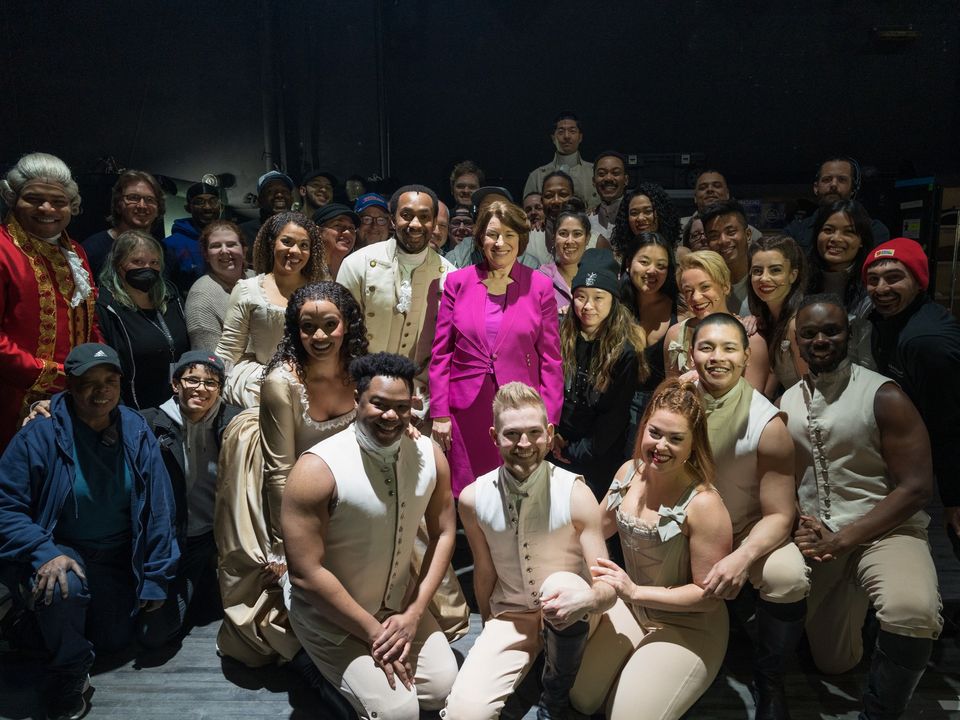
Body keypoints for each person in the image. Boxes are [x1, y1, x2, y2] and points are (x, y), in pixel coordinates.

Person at [781, 295, 942, 720]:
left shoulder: (883, 394)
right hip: (822, 541)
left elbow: (917, 488)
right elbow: (787, 479)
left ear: (848, 335)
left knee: (912, 611)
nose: (820, 340)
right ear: (797, 342)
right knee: (834, 662)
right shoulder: (787, 401)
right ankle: (867, 622)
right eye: (809, 334)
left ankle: (880, 711)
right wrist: (800, 523)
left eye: (831, 331)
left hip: (887, 532)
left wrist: (845, 538)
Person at [0, 343, 178, 720]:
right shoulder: (40, 434)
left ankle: (32, 625)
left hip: (116, 555)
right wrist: (44, 552)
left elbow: (159, 507)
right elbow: (6, 507)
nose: (102, 391)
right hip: (62, 548)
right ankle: (69, 673)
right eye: (89, 383)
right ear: (70, 386)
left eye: (110, 381)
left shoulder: (134, 429)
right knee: (62, 585)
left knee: (115, 639)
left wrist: (156, 577)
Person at [444, 382, 642, 720]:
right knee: (464, 714)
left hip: (576, 608)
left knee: (559, 585)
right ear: (494, 437)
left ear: (549, 435)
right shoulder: (473, 499)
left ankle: (555, 699)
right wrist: (491, 627)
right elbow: (484, 569)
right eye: (512, 434)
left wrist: (587, 600)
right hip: (512, 615)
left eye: (534, 433)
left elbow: (607, 587)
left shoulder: (576, 493)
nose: (524, 444)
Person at [283, 353, 459, 719]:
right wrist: (374, 633)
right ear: (357, 400)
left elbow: (444, 533)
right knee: (399, 713)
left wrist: (413, 613)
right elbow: (304, 573)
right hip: (328, 614)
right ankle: (316, 671)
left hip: (398, 606)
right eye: (379, 404)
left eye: (401, 407)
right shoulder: (317, 468)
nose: (391, 415)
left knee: (441, 689)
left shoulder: (430, 455)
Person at [215, 282, 366, 668]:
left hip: (346, 482)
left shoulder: (361, 371)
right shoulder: (282, 382)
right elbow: (280, 471)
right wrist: (285, 547)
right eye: (307, 327)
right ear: (295, 331)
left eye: (329, 324)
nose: (319, 336)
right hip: (293, 489)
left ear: (347, 324)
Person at [690, 314, 809, 719]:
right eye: (706, 347)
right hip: (684, 527)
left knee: (788, 577)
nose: (716, 357)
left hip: (745, 529)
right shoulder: (675, 397)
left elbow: (780, 514)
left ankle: (769, 678)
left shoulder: (767, 423)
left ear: (745, 357)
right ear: (691, 353)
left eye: (728, 348)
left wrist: (742, 557)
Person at [593, 379, 733, 720]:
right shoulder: (628, 473)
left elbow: (708, 596)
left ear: (693, 444)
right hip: (631, 611)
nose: (661, 446)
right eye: (654, 433)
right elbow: (594, 531)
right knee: (582, 698)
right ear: (643, 428)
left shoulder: (704, 505)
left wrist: (634, 591)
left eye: (675, 438)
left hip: (689, 626)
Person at [430, 199, 563, 497]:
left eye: (509, 235)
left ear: (521, 240)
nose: (500, 243)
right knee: (466, 494)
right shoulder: (457, 282)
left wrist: (549, 419)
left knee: (516, 491)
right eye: (492, 234)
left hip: (519, 410)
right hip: (465, 409)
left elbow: (551, 359)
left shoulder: (539, 286)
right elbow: (441, 353)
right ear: (480, 238)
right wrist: (439, 413)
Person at [139, 350, 241, 649]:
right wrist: (47, 404)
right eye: (192, 380)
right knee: (153, 634)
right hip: (168, 540)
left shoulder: (235, 423)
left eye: (210, 383)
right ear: (175, 384)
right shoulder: (148, 423)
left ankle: (203, 582)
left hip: (211, 537)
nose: (201, 388)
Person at [864, 238, 960, 554]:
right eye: (873, 279)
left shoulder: (926, 342)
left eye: (894, 278)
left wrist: (954, 498)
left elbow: (950, 425)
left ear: (919, 282)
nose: (881, 288)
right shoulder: (886, 319)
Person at [0, 152, 102, 450]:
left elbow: (90, 320)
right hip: (12, 398)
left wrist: (98, 364)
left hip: (75, 395)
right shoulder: (3, 249)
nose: (47, 209)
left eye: (58, 201)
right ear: (12, 199)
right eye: (34, 199)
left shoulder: (76, 251)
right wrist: (53, 375)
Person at [337, 185, 454, 420]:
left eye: (424, 217)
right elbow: (341, 336)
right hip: (360, 391)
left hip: (420, 399)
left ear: (434, 223)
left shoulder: (450, 275)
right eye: (406, 215)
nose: (415, 224)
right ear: (392, 219)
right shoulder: (357, 264)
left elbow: (448, 349)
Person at [552, 249, 648, 500]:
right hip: (555, 444)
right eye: (580, 297)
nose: (588, 306)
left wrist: (574, 451)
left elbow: (614, 417)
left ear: (613, 300)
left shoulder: (624, 351)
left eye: (598, 297)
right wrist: (552, 437)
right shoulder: (559, 333)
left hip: (598, 457)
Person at [215, 211, 327, 407]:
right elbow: (229, 349)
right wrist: (210, 381)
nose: (295, 251)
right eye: (287, 242)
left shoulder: (322, 291)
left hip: (314, 379)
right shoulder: (248, 290)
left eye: (304, 245)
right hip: (262, 380)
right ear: (271, 243)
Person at [96, 230, 190, 410]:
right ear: (118, 264)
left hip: (180, 406)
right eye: (137, 262)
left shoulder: (171, 297)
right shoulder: (106, 307)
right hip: (136, 410)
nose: (147, 268)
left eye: (154, 262)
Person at [664, 250, 770, 392]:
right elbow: (671, 394)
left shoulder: (752, 339)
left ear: (725, 286)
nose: (696, 297)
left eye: (705, 287)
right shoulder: (675, 334)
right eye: (688, 290)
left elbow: (751, 401)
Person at [619, 232, 679, 443]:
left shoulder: (680, 308)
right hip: (616, 411)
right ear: (628, 264)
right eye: (644, 262)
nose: (652, 270)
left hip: (662, 411)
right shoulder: (612, 304)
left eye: (661, 265)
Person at [784, 157, 890, 254]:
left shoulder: (873, 229)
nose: (833, 185)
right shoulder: (796, 230)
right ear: (816, 188)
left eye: (842, 180)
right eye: (827, 179)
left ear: (853, 190)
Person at [747, 234, 807, 393]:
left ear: (793, 275)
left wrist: (780, 403)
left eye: (775, 270)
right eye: (757, 271)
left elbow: (811, 390)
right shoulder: (769, 319)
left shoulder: (798, 323)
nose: (764, 278)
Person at [83, 169, 168, 280]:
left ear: (158, 209)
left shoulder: (165, 252)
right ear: (118, 205)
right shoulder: (92, 249)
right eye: (133, 198)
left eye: (150, 199)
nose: (142, 206)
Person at [183, 220, 253, 352]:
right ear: (206, 255)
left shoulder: (258, 278)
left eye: (231, 244)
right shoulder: (201, 297)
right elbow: (211, 358)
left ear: (244, 251)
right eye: (215, 246)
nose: (224, 251)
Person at [523, 111, 600, 208]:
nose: (567, 136)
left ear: (580, 137)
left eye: (572, 131)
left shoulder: (595, 172)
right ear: (553, 138)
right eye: (561, 132)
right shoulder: (536, 177)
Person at [163, 181, 223, 295]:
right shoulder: (171, 245)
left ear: (220, 206)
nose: (207, 207)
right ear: (188, 208)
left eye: (213, 201)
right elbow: (164, 288)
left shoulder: (228, 240)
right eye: (199, 202)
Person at [536, 204, 592, 318]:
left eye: (577, 234)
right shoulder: (538, 279)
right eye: (563, 234)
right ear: (554, 238)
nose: (570, 241)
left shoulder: (599, 276)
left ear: (587, 238)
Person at [701, 199, 755, 316]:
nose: (723, 240)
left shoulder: (763, 278)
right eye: (714, 236)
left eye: (731, 232)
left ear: (748, 235)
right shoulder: (704, 284)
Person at [610, 182, 681, 257]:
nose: (640, 218)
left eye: (648, 211)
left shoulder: (680, 255)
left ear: (662, 213)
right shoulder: (617, 257)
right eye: (634, 213)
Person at [238, 170, 295, 246]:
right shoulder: (244, 232)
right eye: (271, 191)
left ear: (292, 199)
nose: (279, 195)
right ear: (260, 200)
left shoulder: (302, 228)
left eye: (285, 191)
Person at [588, 151, 629, 244]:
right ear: (593, 181)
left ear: (626, 180)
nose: (608, 178)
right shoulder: (587, 220)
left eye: (615, 173)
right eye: (602, 174)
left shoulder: (635, 217)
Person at [312, 202, 358, 278]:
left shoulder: (355, 272)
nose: (347, 232)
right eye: (338, 225)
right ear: (318, 231)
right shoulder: (304, 271)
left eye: (351, 228)